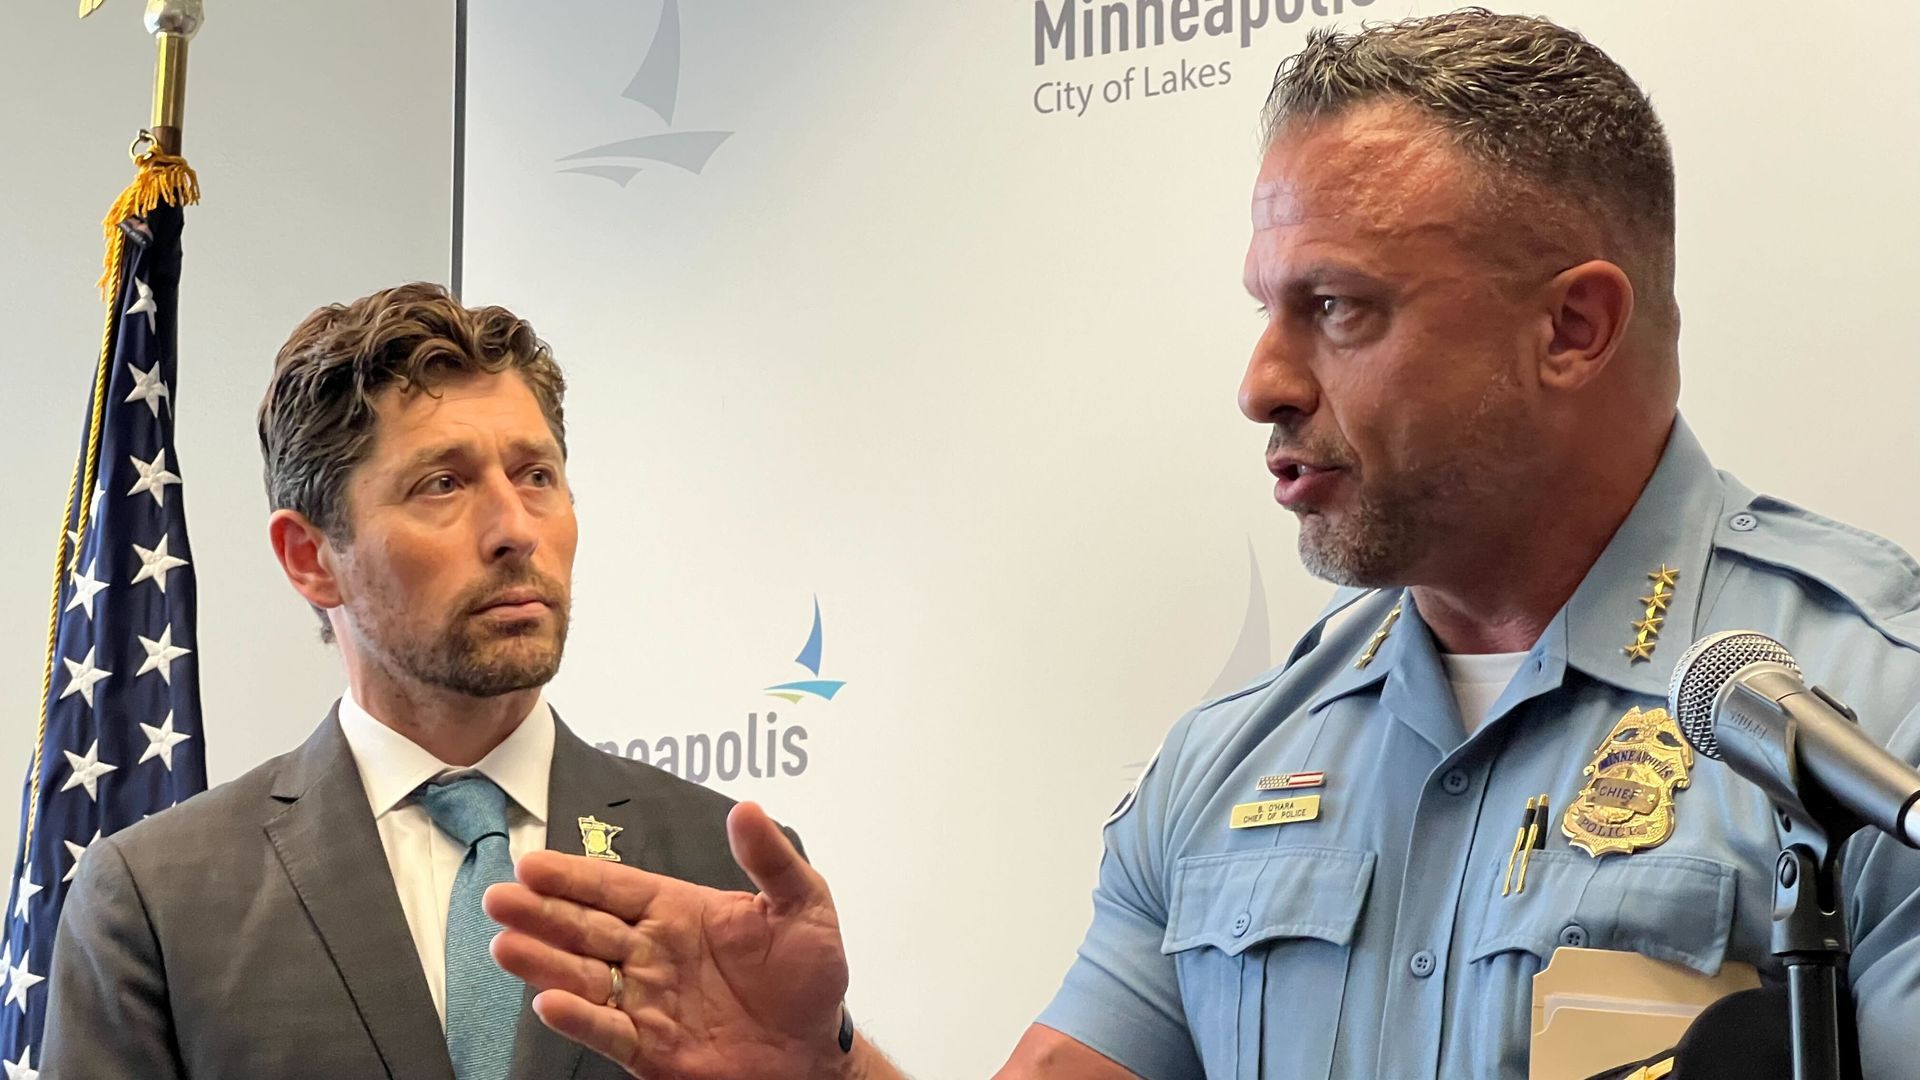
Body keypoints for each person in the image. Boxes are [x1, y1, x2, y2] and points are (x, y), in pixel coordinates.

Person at [480, 10, 1920, 1080]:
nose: (1264, 383)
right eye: (1266, 307)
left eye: (1341, 308)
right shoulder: (1230, 763)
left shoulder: (1873, 717)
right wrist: (824, 1069)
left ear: (1572, 328)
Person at [40, 283, 794, 1079]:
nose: (515, 530)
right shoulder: (156, 899)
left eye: (536, 475)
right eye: (443, 484)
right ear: (311, 557)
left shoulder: (725, 869)